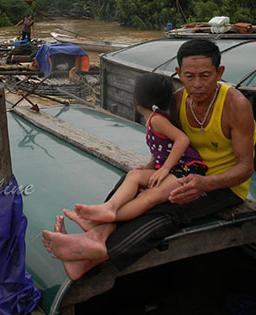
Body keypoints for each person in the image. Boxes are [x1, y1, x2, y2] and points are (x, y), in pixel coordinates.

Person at [42, 38, 256, 280]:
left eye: (206, 76)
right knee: (132, 181)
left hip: (222, 185)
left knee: (168, 208)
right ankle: (96, 236)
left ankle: (99, 253)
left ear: (219, 73)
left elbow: (246, 168)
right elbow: (169, 144)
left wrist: (204, 184)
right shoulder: (177, 100)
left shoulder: (235, 105)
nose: (197, 84)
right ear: (178, 74)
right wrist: (151, 167)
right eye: (189, 76)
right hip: (183, 171)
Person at [69, 73, 208, 230]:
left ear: (136, 100)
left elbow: (182, 140)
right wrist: (150, 165)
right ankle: (109, 208)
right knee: (134, 175)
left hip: (187, 169)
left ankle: (103, 218)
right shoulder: (153, 120)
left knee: (147, 197)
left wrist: (164, 169)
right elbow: (162, 151)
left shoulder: (157, 120)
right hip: (175, 168)